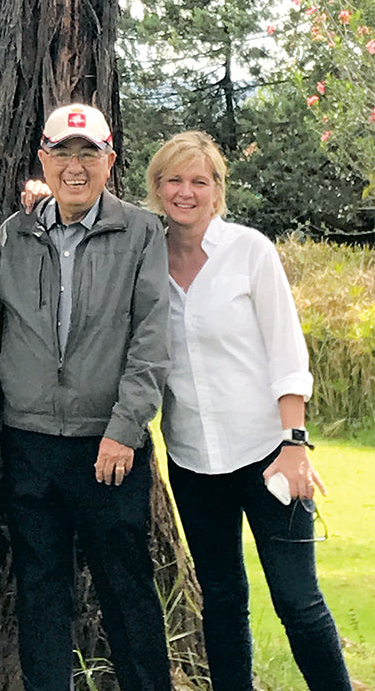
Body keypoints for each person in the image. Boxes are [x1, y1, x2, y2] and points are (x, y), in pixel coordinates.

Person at [144, 130, 353, 691]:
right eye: (174, 180)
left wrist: (295, 444)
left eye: (199, 181)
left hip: (268, 457)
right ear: (157, 187)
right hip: (191, 463)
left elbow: (287, 352)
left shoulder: (249, 251)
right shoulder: (141, 259)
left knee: (296, 598)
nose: (185, 192)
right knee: (223, 601)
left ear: (217, 191)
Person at [0, 103, 173, 691]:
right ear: (43, 159)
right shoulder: (12, 235)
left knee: (126, 588)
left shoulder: (142, 231)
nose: (75, 166)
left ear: (109, 161)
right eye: (62, 154)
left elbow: (151, 338)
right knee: (42, 591)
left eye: (88, 154)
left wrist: (125, 427)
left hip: (108, 445)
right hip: (29, 442)